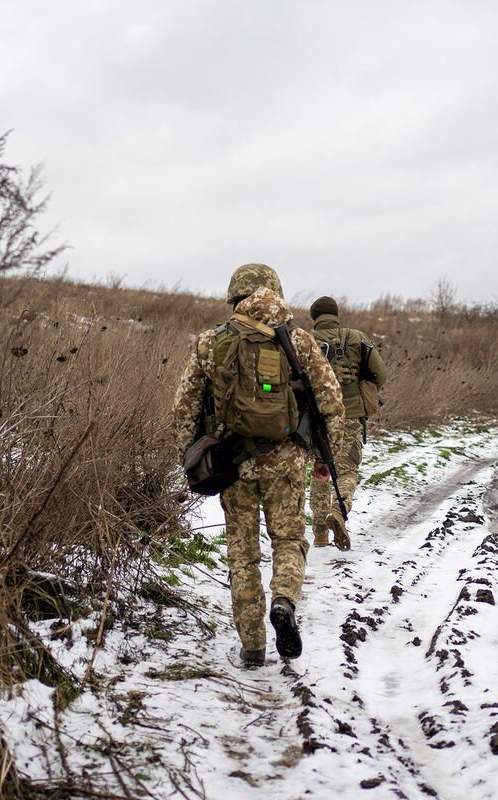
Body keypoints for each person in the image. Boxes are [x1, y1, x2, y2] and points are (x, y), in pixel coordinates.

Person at [172, 264, 344, 668]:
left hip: (233, 464)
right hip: (286, 463)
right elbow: (332, 403)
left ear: (235, 296)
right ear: (277, 293)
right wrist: (323, 458)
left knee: (242, 554)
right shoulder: (300, 341)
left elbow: (182, 410)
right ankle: (284, 600)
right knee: (288, 540)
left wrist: (191, 461)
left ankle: (252, 646)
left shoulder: (209, 342)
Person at [307, 296, 388, 550]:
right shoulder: (356, 337)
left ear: (314, 317)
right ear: (336, 314)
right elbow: (380, 373)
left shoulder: (305, 340)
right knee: (347, 469)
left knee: (320, 470)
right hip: (351, 413)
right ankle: (338, 512)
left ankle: (320, 532)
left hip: (316, 415)